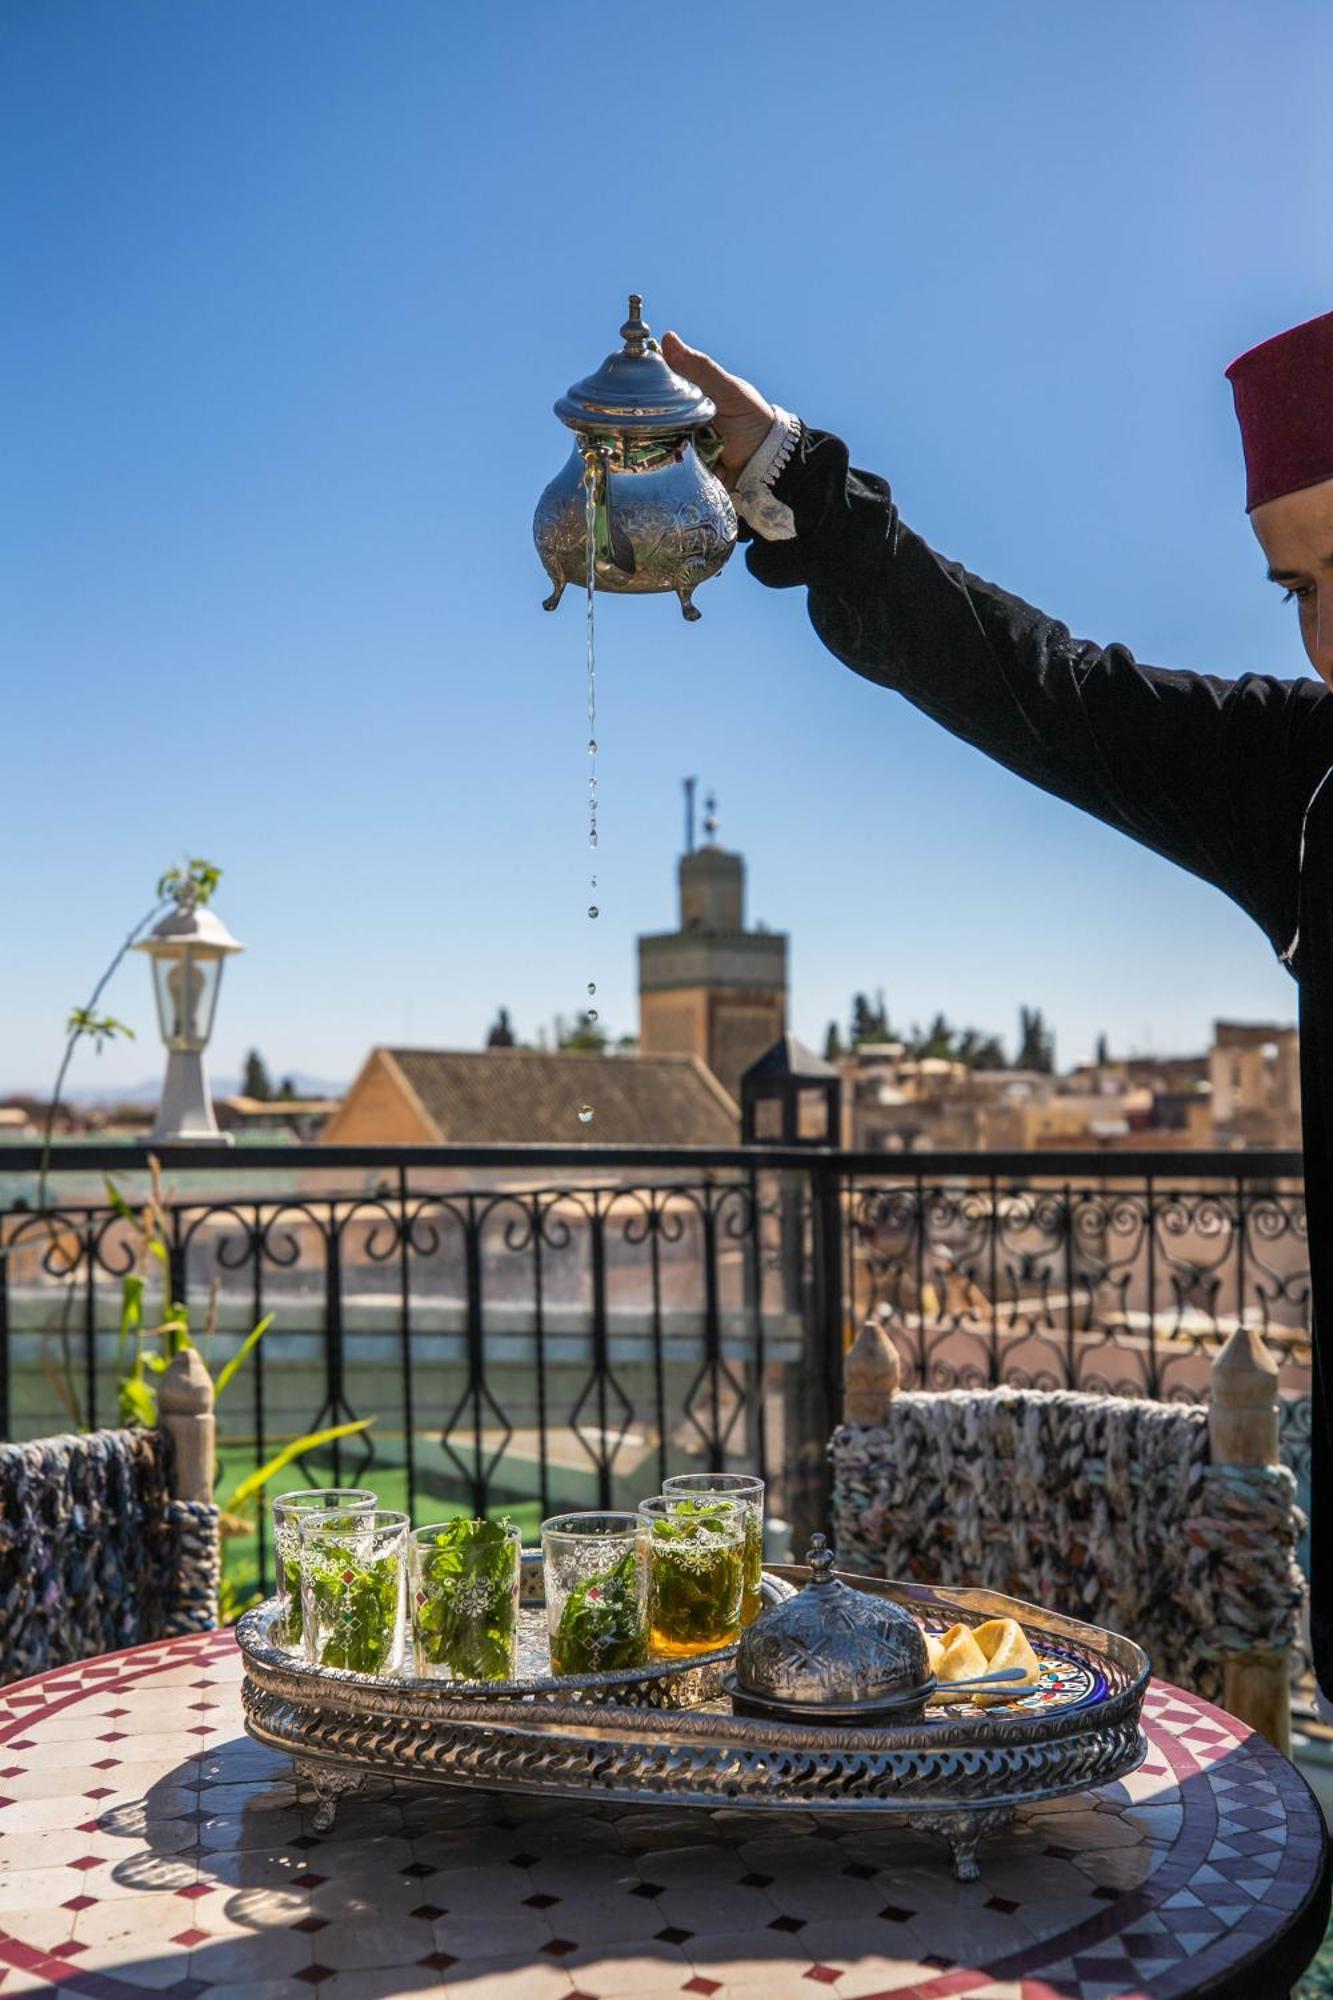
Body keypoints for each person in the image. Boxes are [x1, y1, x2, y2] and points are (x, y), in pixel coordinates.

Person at [659, 312, 1333, 1697]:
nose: (1332, 639)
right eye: (1299, 589)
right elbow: (1044, 690)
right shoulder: (1309, 792)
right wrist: (794, 482)